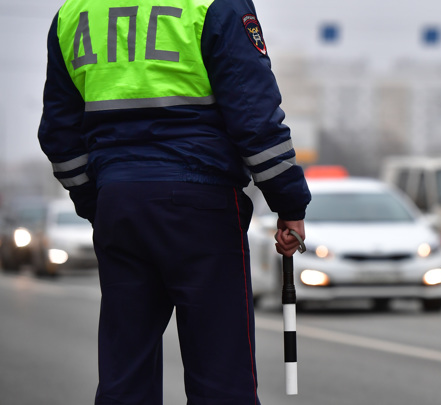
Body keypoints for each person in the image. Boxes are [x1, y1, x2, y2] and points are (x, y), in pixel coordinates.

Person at [37, 0, 311, 403]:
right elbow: (255, 118)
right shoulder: (213, 5)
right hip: (203, 207)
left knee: (124, 376)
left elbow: (59, 137)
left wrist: (98, 203)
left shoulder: (74, 13)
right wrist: (289, 206)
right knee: (221, 378)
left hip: (119, 204)